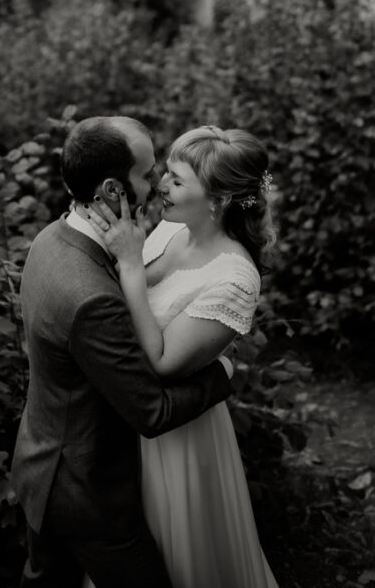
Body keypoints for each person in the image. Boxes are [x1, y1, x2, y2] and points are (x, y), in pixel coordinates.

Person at [10, 115, 233, 588]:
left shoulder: (53, 238)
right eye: (147, 173)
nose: (157, 184)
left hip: (39, 464)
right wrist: (224, 376)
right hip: (86, 493)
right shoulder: (90, 296)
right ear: (113, 190)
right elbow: (151, 413)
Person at [84, 124, 280, 588]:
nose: (160, 186)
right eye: (164, 174)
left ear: (219, 199)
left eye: (176, 180)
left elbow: (164, 362)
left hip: (176, 440)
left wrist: (130, 264)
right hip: (125, 416)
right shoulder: (171, 232)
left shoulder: (234, 277)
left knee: (177, 556)